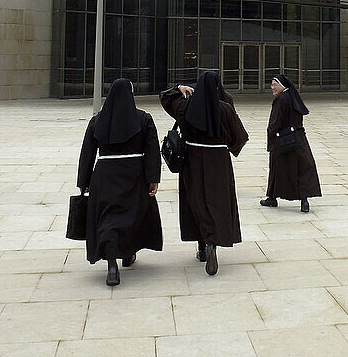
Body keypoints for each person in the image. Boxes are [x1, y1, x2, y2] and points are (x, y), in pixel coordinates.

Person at [159, 71, 248, 276]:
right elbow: (239, 138)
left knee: (195, 200)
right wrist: (228, 146)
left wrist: (178, 88)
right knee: (217, 201)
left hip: (193, 160)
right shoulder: (225, 108)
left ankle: (202, 244)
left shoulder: (186, 107)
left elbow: (165, 99)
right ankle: (213, 241)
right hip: (218, 162)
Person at [77, 78, 163, 287]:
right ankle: (128, 253)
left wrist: (84, 181)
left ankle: (112, 264)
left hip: (105, 175)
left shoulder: (97, 121)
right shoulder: (143, 119)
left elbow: (87, 153)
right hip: (134, 174)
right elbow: (152, 150)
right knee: (132, 215)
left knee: (108, 218)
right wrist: (153, 178)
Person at [261, 74, 322, 212]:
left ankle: (272, 198)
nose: (272, 88)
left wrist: (271, 136)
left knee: (277, 169)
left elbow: (275, 122)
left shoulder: (280, 99)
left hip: (283, 140)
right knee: (301, 169)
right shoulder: (293, 98)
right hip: (299, 139)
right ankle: (304, 201)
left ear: (282, 86)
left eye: (275, 85)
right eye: (271, 85)